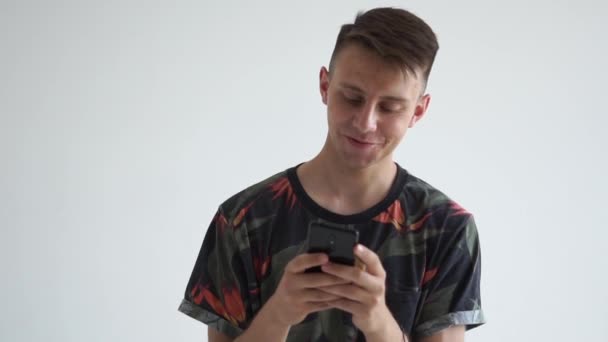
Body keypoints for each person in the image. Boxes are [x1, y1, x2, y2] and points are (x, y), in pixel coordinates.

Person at [178, 7, 485, 342]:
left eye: (390, 107)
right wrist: (280, 313)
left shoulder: (447, 229)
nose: (366, 122)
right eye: (352, 98)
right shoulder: (242, 220)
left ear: (419, 110)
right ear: (325, 85)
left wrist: (378, 322)